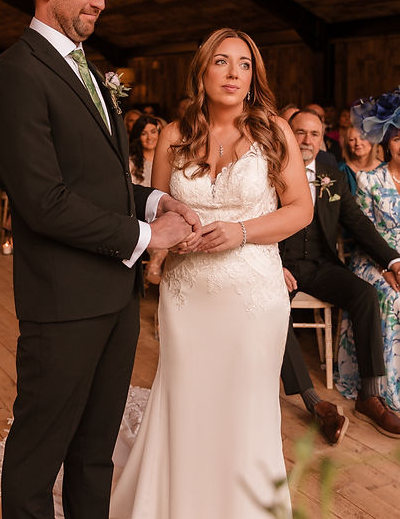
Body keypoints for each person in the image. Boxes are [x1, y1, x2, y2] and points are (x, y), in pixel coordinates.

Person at [0, 0, 200, 519]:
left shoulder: (94, 72)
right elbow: (44, 201)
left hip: (116, 296)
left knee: (95, 452)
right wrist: (148, 238)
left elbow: (98, 180)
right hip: (63, 303)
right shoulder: (14, 74)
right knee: (37, 458)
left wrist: (155, 203)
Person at [110, 28, 313, 518]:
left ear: (254, 77)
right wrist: (173, 236)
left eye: (244, 64)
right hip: (188, 295)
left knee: (246, 406)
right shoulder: (174, 135)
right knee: (187, 400)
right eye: (221, 62)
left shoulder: (274, 132)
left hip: (253, 296)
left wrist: (241, 231)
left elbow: (301, 209)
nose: (233, 73)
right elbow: (159, 208)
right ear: (202, 71)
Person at [279, 109, 400, 438]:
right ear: (287, 134)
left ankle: (369, 396)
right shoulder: (269, 170)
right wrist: (273, 265)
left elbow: (357, 222)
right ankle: (315, 403)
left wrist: (393, 261)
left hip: (321, 264)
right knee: (273, 309)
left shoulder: (330, 173)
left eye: (314, 134)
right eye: (300, 132)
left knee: (365, 294)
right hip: (279, 265)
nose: (307, 140)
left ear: (322, 139)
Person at [337, 88, 400, 412]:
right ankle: (382, 389)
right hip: (374, 260)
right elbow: (363, 233)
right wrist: (387, 266)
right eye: (398, 139)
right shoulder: (370, 180)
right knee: (392, 298)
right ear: (387, 142)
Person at [339, 125, 382, 195]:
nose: (358, 143)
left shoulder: (386, 170)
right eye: (352, 140)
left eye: (362, 138)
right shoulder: (340, 169)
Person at [128, 115, 161, 186]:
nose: (149, 137)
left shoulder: (167, 158)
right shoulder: (131, 162)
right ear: (138, 136)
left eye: (153, 132)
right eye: (144, 134)